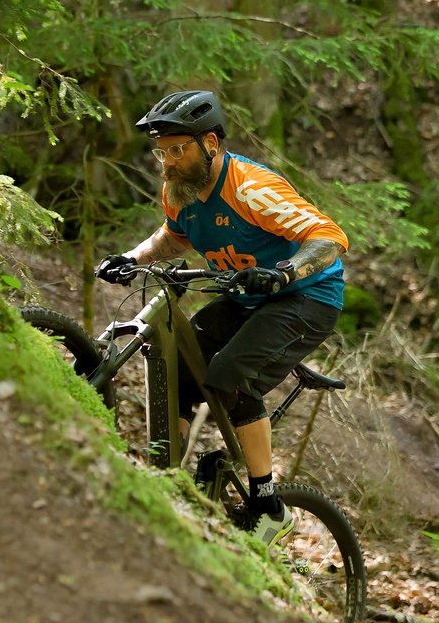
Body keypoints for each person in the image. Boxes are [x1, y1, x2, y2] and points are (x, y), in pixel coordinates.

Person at [95, 90, 349, 547]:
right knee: (182, 376)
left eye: (178, 149)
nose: (167, 162)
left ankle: (268, 505)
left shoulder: (250, 188)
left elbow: (328, 236)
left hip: (308, 298)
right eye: (161, 151)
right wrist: (131, 257)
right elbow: (174, 239)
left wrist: (284, 272)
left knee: (231, 375)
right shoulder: (179, 192)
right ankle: (167, 481)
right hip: (245, 295)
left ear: (211, 143)